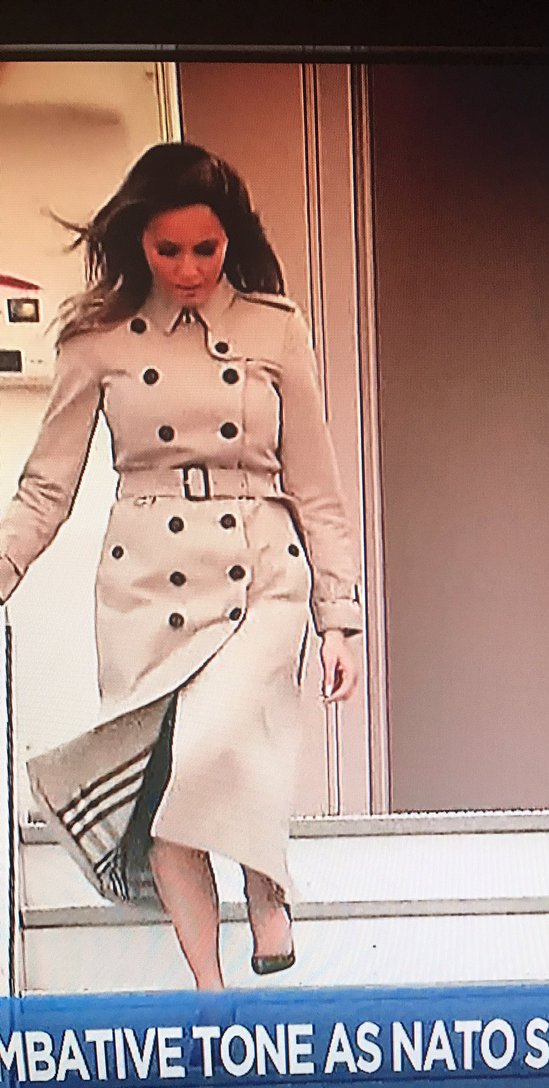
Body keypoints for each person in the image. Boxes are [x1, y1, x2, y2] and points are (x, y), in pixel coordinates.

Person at [0, 142, 362, 990]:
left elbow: (317, 484)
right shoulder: (96, 338)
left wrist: (339, 617)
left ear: (232, 240)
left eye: (207, 247)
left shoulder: (276, 328)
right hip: (146, 579)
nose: (191, 268)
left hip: (259, 564)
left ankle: (265, 878)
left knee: (220, 744)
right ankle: (209, 995)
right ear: (139, 241)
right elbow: (47, 486)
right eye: (170, 250)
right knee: (166, 800)